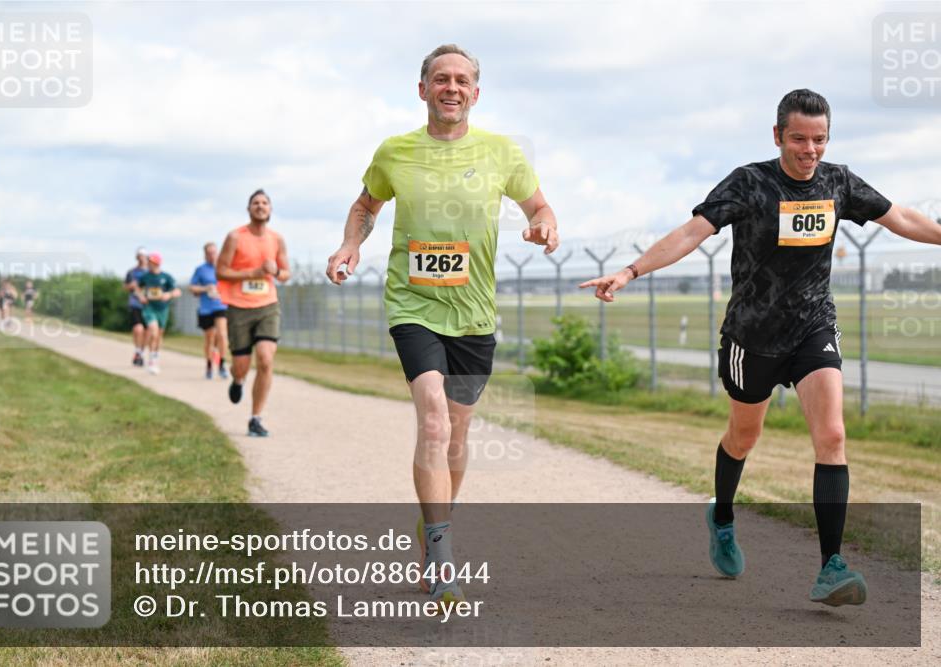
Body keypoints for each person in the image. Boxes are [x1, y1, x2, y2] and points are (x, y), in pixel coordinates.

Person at [580, 89, 941, 606]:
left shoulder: (838, 181)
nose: (809, 149)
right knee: (743, 438)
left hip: (813, 326)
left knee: (833, 435)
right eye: (798, 138)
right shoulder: (749, 183)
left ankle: (831, 567)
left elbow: (900, 217)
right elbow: (691, 232)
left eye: (819, 139)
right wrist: (631, 270)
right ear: (778, 136)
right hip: (752, 336)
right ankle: (722, 515)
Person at [326, 44, 560, 607]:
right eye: (440, 79)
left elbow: (540, 209)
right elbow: (366, 205)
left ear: (475, 93)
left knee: (456, 435)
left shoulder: (503, 153)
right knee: (432, 421)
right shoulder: (395, 152)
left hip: (474, 313)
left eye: (461, 80)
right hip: (413, 306)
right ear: (423, 89)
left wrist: (544, 228)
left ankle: (435, 530)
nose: (451, 87)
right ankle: (441, 553)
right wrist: (350, 244)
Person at [216, 189, 291, 437]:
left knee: (266, 358)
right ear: (249, 209)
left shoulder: (277, 239)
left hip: (267, 306)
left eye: (265, 203)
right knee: (241, 365)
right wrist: (253, 273)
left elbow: (285, 273)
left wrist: (276, 272)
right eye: (255, 203)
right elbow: (221, 271)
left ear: (270, 209)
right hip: (239, 308)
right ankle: (238, 380)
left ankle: (255, 417)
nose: (260, 206)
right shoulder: (235, 237)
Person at [135, 252, 181, 375]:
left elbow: (177, 291)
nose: (149, 264)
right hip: (149, 308)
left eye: (152, 262)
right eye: (149, 261)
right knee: (153, 331)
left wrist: (169, 294)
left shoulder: (166, 277)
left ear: (157, 263)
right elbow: (137, 289)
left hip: (163, 309)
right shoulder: (145, 277)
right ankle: (152, 361)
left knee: (159, 335)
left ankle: (155, 356)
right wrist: (140, 296)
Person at [189, 242, 229, 380]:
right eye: (209, 253)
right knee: (210, 338)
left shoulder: (224, 267)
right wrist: (205, 288)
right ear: (205, 254)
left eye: (214, 252)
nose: (212, 255)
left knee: (222, 335)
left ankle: (222, 365)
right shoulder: (200, 270)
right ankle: (209, 365)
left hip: (222, 306)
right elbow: (192, 288)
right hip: (206, 309)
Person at [125, 248, 150, 366]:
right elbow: (125, 286)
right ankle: (137, 351)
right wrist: (131, 286)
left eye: (143, 256)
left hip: (149, 305)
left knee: (147, 331)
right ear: (137, 257)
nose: (141, 258)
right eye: (139, 256)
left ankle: (140, 352)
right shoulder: (132, 272)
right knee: (138, 329)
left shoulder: (151, 272)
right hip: (135, 304)